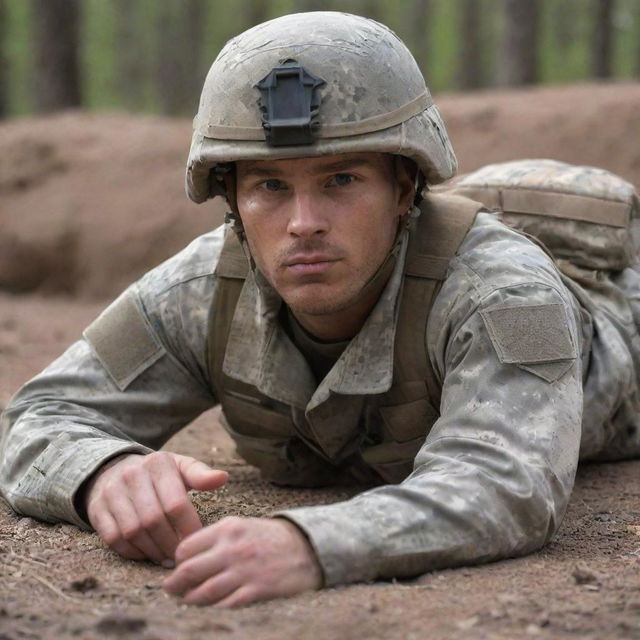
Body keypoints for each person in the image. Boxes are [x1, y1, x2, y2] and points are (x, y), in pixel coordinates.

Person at [1, 11, 639, 608]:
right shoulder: (201, 289)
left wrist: (315, 543)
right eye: (270, 186)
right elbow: (39, 415)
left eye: (341, 180)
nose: (303, 225)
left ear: (404, 188)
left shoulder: (499, 292)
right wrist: (102, 472)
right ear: (233, 203)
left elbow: (507, 484)